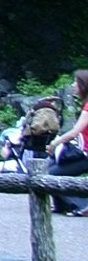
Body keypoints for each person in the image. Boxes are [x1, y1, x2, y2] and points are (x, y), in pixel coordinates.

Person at [45, 69, 88, 215]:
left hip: (85, 154)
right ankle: (61, 205)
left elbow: (75, 131)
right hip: (82, 151)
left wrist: (55, 144)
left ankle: (82, 205)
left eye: (76, 82)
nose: (73, 85)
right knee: (47, 168)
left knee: (51, 175)